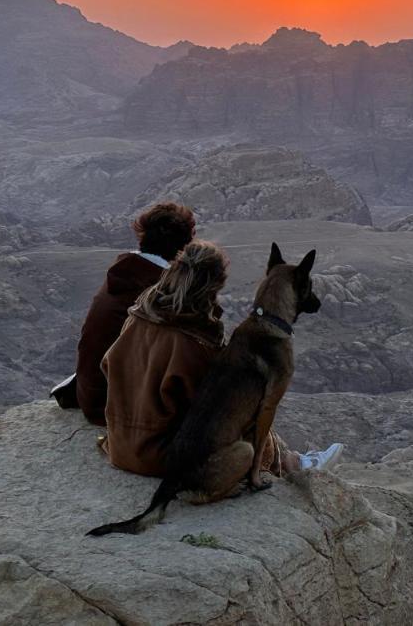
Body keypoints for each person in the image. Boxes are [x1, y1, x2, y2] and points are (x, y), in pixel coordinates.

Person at [101, 238, 342, 479]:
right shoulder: (195, 343)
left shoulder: (138, 317)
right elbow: (217, 406)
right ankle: (291, 465)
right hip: (159, 456)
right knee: (244, 410)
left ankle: (291, 459)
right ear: (212, 288)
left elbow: (107, 365)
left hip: (118, 446)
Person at [49, 201, 197, 426]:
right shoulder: (158, 291)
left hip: (91, 393)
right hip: (113, 406)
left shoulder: (127, 272)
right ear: (184, 245)